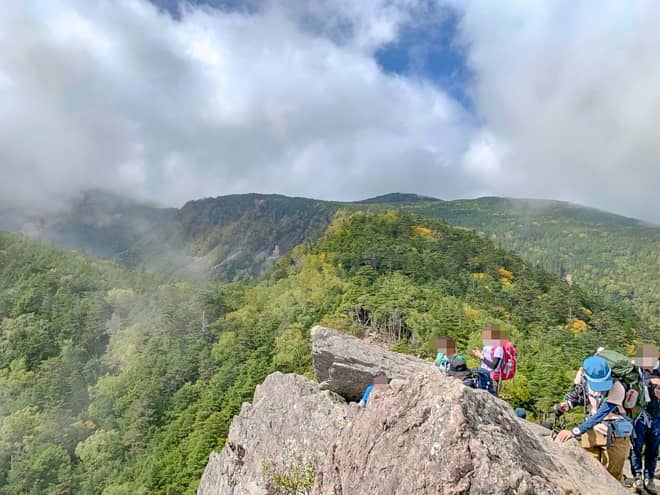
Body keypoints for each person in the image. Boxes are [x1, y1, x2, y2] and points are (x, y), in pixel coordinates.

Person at [556, 356, 633, 484]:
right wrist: (569, 404)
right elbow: (581, 396)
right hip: (591, 432)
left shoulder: (617, 387)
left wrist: (574, 431)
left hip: (615, 435)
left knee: (612, 479)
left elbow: (600, 415)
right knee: (588, 476)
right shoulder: (582, 377)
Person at [630, 345, 660, 494]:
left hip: (656, 415)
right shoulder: (635, 372)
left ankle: (650, 478)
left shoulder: (658, 372)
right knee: (636, 446)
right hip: (639, 415)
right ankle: (637, 476)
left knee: (653, 448)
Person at [471, 325, 504, 395]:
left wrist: (481, 357)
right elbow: (484, 361)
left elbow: (493, 365)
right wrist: (478, 354)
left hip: (492, 379)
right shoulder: (486, 347)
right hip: (482, 376)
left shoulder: (498, 348)